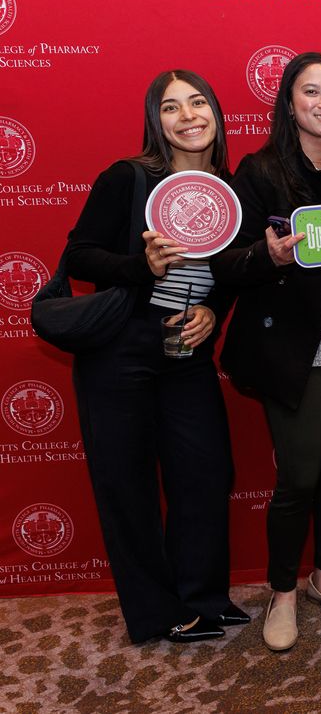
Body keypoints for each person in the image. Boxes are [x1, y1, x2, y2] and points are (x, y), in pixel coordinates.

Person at [212, 52, 321, 652]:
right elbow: (227, 263)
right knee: (300, 476)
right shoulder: (259, 172)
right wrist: (271, 257)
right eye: (310, 92)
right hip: (293, 349)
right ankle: (282, 593)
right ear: (289, 103)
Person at [64, 69, 246, 644]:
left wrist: (213, 311)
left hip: (185, 349)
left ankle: (203, 596)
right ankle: (155, 611)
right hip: (120, 348)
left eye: (198, 102)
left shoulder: (230, 191)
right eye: (171, 107)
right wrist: (141, 265)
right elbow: (80, 256)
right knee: (128, 483)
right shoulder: (129, 177)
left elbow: (228, 273)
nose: (188, 115)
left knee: (205, 472)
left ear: (216, 114)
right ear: (155, 121)